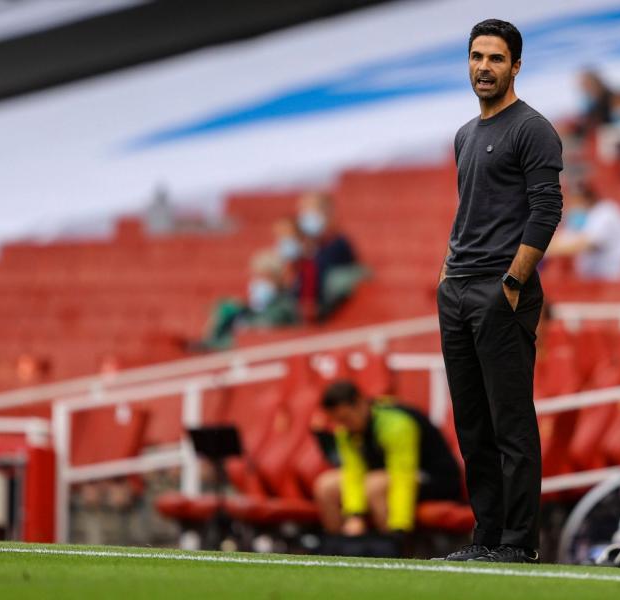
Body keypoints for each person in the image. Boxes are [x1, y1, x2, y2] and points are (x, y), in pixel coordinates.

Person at [436, 19, 563, 564]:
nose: (483, 67)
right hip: (457, 288)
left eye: (495, 58)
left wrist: (512, 282)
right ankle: (485, 538)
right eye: (476, 57)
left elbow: (547, 210)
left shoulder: (532, 129)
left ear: (516, 65)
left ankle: (518, 544)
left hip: (500, 290)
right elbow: (470, 212)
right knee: (472, 424)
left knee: (510, 421)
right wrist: (447, 275)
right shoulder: (465, 134)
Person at [314, 381, 462, 536]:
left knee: (375, 485)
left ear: (360, 403)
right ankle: (340, 549)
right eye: (337, 420)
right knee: (325, 486)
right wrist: (355, 515)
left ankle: (392, 548)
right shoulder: (344, 429)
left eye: (346, 418)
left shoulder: (396, 424)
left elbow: (402, 476)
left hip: (434, 477)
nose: (343, 425)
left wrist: (400, 527)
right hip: (386, 474)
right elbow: (353, 472)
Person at [195, 250, 300, 350]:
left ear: (276, 279)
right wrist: (222, 318)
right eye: (255, 277)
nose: (256, 282)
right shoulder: (253, 308)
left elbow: (257, 333)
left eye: (262, 277)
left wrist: (240, 321)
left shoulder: (284, 307)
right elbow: (211, 337)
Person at [546, 181, 620, 281]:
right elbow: (561, 240)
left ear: (587, 199)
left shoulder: (606, 212)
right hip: (597, 280)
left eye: (575, 201)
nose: (571, 206)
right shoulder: (582, 219)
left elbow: (588, 244)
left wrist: (546, 251)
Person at [296, 192, 366, 320]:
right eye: (303, 212)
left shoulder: (339, 245)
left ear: (327, 213)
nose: (304, 216)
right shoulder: (305, 249)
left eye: (310, 212)